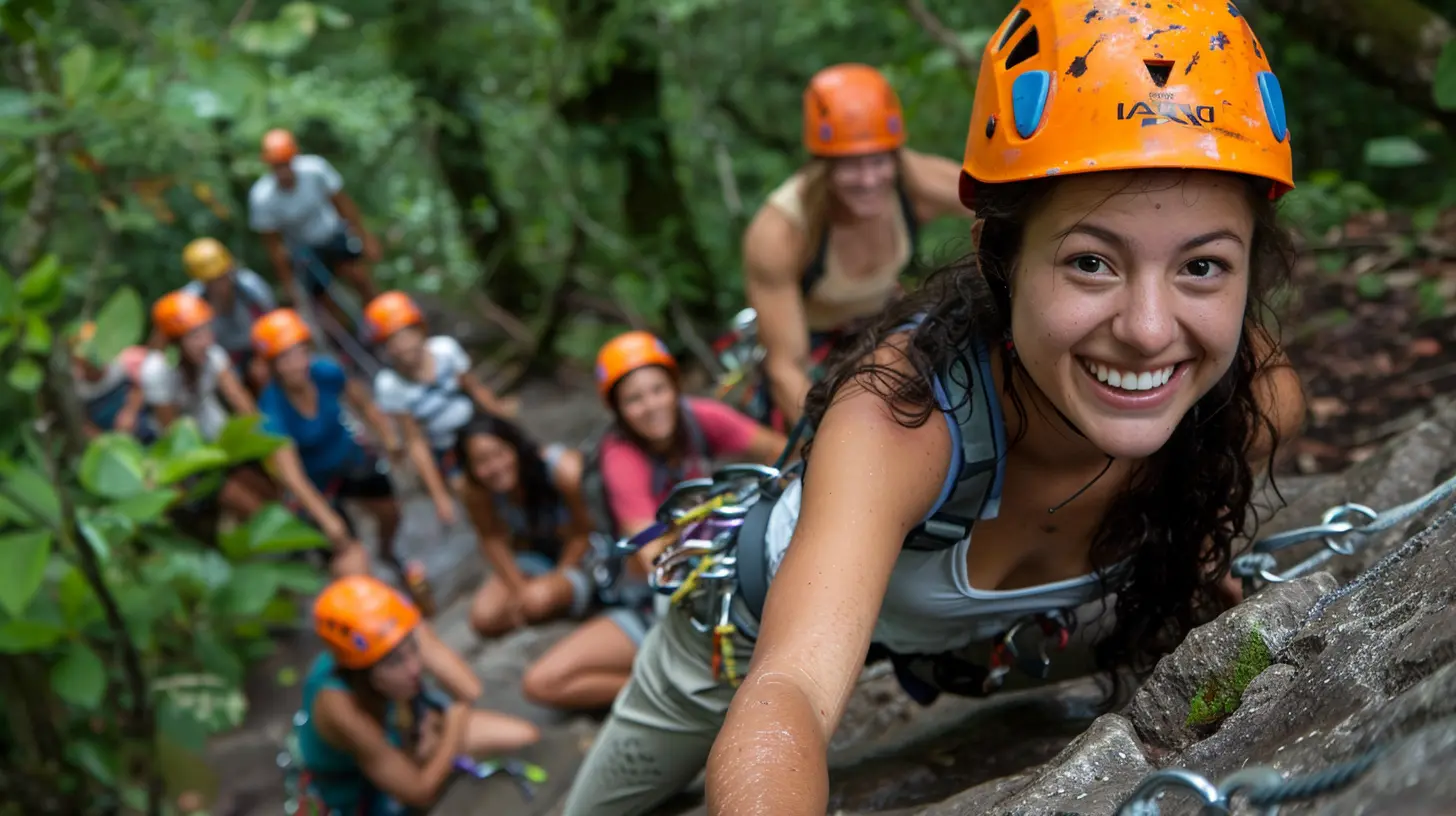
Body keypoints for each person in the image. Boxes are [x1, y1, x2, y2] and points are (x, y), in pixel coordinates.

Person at [557, 3, 1309, 814]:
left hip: (980, 635)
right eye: (1091, 261)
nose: (1150, 330)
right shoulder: (897, 417)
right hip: (747, 624)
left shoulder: (1250, 403)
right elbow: (792, 691)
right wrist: (838, 483)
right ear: (1003, 261)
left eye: (1203, 267)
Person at [741, 62, 971, 430]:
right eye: (849, 166)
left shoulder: (915, 182)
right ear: (823, 167)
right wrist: (823, 440)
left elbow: (1002, 204)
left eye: (879, 161)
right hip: (812, 346)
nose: (868, 180)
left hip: (886, 322)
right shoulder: (780, 233)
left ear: (895, 156)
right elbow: (787, 367)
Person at [293, 575, 540, 815]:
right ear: (362, 672)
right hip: (361, 793)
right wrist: (452, 728)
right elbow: (419, 791)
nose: (414, 669)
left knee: (524, 737)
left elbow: (470, 689)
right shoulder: (340, 707)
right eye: (394, 662)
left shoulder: (392, 636)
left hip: (404, 735)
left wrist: (412, 638)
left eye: (412, 648)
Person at [252, 308, 405, 579]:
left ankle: (388, 553)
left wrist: (388, 437)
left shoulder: (325, 373)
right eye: (284, 357)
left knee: (391, 512)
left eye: (299, 352)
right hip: (318, 486)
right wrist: (326, 518)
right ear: (272, 365)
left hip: (350, 458)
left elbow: (363, 403)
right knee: (348, 558)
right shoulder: (272, 409)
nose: (296, 363)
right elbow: (291, 474)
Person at [364, 291, 515, 528]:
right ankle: (498, 530)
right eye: (392, 340)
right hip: (444, 446)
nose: (402, 345)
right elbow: (414, 440)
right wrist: (439, 496)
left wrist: (505, 424)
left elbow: (475, 389)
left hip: (475, 429)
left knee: (505, 467)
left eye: (406, 334)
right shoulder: (390, 385)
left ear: (420, 331)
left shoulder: (445, 350)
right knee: (468, 493)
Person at [453, 414, 596, 639]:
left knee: (538, 602)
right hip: (535, 556)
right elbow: (491, 539)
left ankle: (563, 604)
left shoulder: (561, 470)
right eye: (481, 462)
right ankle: (546, 607)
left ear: (515, 446)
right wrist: (520, 590)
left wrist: (556, 580)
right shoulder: (475, 491)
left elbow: (585, 532)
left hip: (585, 556)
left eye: (500, 453)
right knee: (484, 618)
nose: (495, 467)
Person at [140, 291, 277, 521]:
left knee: (265, 485)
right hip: (181, 446)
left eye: (206, 330)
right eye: (195, 335)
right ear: (175, 342)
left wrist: (263, 440)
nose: (206, 340)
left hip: (212, 426)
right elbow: (174, 432)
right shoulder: (157, 372)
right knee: (240, 499)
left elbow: (239, 398)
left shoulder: (211, 355)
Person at [248, 128, 380, 310]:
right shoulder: (262, 197)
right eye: (277, 166)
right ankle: (346, 334)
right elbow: (274, 246)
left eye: (286, 163)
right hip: (304, 251)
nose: (283, 171)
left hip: (332, 232)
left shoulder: (315, 170)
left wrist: (364, 238)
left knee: (358, 276)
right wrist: (288, 283)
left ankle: (379, 317)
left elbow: (343, 205)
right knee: (324, 300)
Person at [170, 237, 277, 391]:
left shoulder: (251, 288)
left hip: (258, 350)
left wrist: (263, 358)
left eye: (222, 277)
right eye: (211, 281)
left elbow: (274, 323)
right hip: (216, 361)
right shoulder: (190, 302)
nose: (219, 286)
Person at [72, 322, 152, 442]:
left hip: (137, 421)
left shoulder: (121, 361)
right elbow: (83, 424)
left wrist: (130, 412)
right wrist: (108, 442)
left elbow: (139, 387)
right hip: (108, 435)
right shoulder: (76, 387)